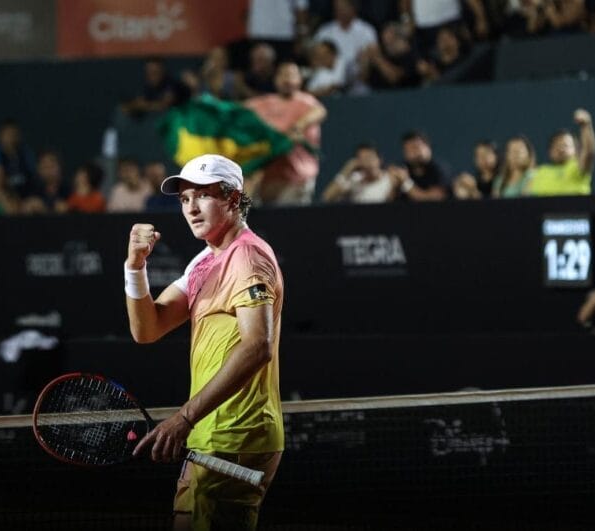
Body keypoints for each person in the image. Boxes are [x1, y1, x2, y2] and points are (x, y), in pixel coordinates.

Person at [125, 154, 284, 530]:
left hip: (237, 436)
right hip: (207, 435)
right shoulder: (204, 262)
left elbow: (258, 345)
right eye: (184, 199)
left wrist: (184, 417)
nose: (191, 208)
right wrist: (135, 267)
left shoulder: (247, 257)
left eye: (203, 196)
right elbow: (147, 329)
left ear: (232, 198)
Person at [245, 61, 328, 206]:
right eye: (283, 75)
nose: (287, 79)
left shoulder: (307, 102)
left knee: (289, 222)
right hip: (268, 177)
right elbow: (239, 111)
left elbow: (320, 112)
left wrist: (298, 126)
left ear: (299, 80)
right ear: (276, 79)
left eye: (291, 75)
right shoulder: (264, 103)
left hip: (297, 177)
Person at [526, 108, 595, 196]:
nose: (561, 149)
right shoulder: (538, 172)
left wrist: (586, 126)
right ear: (550, 152)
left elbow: (589, 153)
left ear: (575, 150)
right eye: (556, 146)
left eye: (566, 145)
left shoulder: (578, 167)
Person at [322, 143, 402, 203]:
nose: (367, 162)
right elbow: (327, 198)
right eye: (362, 159)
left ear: (379, 160)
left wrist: (393, 188)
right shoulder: (355, 180)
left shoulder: (390, 178)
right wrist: (345, 172)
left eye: (370, 157)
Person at [389, 130, 450, 201]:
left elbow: (434, 199)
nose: (413, 153)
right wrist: (393, 185)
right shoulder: (402, 168)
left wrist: (406, 182)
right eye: (408, 150)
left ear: (428, 147)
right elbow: (389, 200)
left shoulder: (439, 169)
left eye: (416, 147)